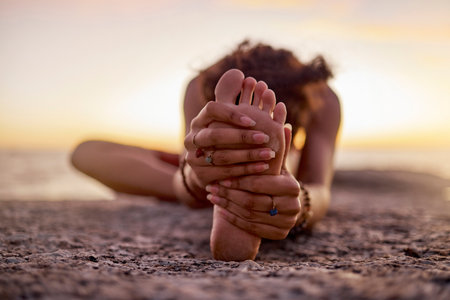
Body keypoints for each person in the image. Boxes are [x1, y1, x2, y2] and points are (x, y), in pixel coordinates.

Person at [71, 40, 341, 261]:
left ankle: (219, 184)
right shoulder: (201, 85)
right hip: (203, 162)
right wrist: (197, 171)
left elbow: (317, 186)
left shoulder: (319, 95)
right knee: (86, 152)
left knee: (88, 154)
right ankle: (223, 177)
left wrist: (297, 203)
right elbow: (320, 187)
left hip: (234, 170)